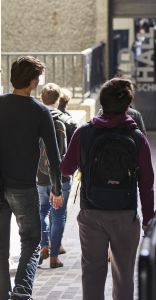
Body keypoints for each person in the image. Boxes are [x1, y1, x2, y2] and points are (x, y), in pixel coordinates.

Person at [60, 78, 154, 300]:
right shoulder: (137, 137)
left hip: (91, 212)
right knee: (123, 275)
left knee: (92, 272)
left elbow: (65, 169)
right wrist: (148, 219)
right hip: (125, 213)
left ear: (102, 102)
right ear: (128, 106)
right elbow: (147, 183)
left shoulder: (84, 132)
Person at [0, 56, 63, 300]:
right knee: (31, 241)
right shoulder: (40, 111)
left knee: (1, 248)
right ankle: (22, 293)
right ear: (33, 81)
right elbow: (54, 157)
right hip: (24, 187)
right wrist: (57, 189)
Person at [37, 83, 77, 268]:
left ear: (41, 98)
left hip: (39, 176)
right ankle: (54, 257)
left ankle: (43, 245)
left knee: (42, 211)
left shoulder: (33, 119)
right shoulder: (68, 121)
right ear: (59, 99)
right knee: (58, 215)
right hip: (62, 177)